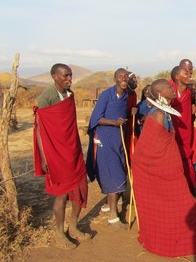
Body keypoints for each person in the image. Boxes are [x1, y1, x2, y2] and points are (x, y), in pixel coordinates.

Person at [132, 79, 196, 257]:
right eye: (169, 88)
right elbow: (152, 147)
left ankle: (176, 243)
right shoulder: (158, 115)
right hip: (159, 169)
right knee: (183, 206)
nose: (173, 89)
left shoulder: (165, 112)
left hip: (169, 168)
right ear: (161, 94)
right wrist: (167, 165)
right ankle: (171, 244)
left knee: (180, 206)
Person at [34, 63, 90, 249]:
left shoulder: (69, 95)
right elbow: (40, 131)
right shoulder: (46, 98)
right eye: (66, 76)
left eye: (71, 75)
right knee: (62, 195)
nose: (69, 79)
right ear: (54, 76)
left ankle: (73, 227)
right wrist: (44, 157)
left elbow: (70, 126)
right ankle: (59, 235)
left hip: (72, 151)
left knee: (79, 189)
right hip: (55, 153)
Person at [86, 68, 129, 227]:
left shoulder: (126, 96)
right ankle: (113, 217)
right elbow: (96, 119)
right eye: (120, 76)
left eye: (126, 76)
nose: (124, 79)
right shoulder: (106, 95)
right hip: (105, 138)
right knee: (113, 174)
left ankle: (109, 206)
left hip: (118, 140)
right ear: (115, 79)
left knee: (118, 171)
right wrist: (114, 122)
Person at [169, 66, 196, 190]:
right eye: (185, 73)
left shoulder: (187, 92)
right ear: (177, 77)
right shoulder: (170, 92)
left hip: (187, 134)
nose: (189, 76)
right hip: (173, 134)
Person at [125, 72, 138, 158]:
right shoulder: (123, 93)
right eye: (132, 79)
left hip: (130, 123)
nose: (135, 81)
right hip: (122, 123)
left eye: (135, 79)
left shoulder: (134, 94)